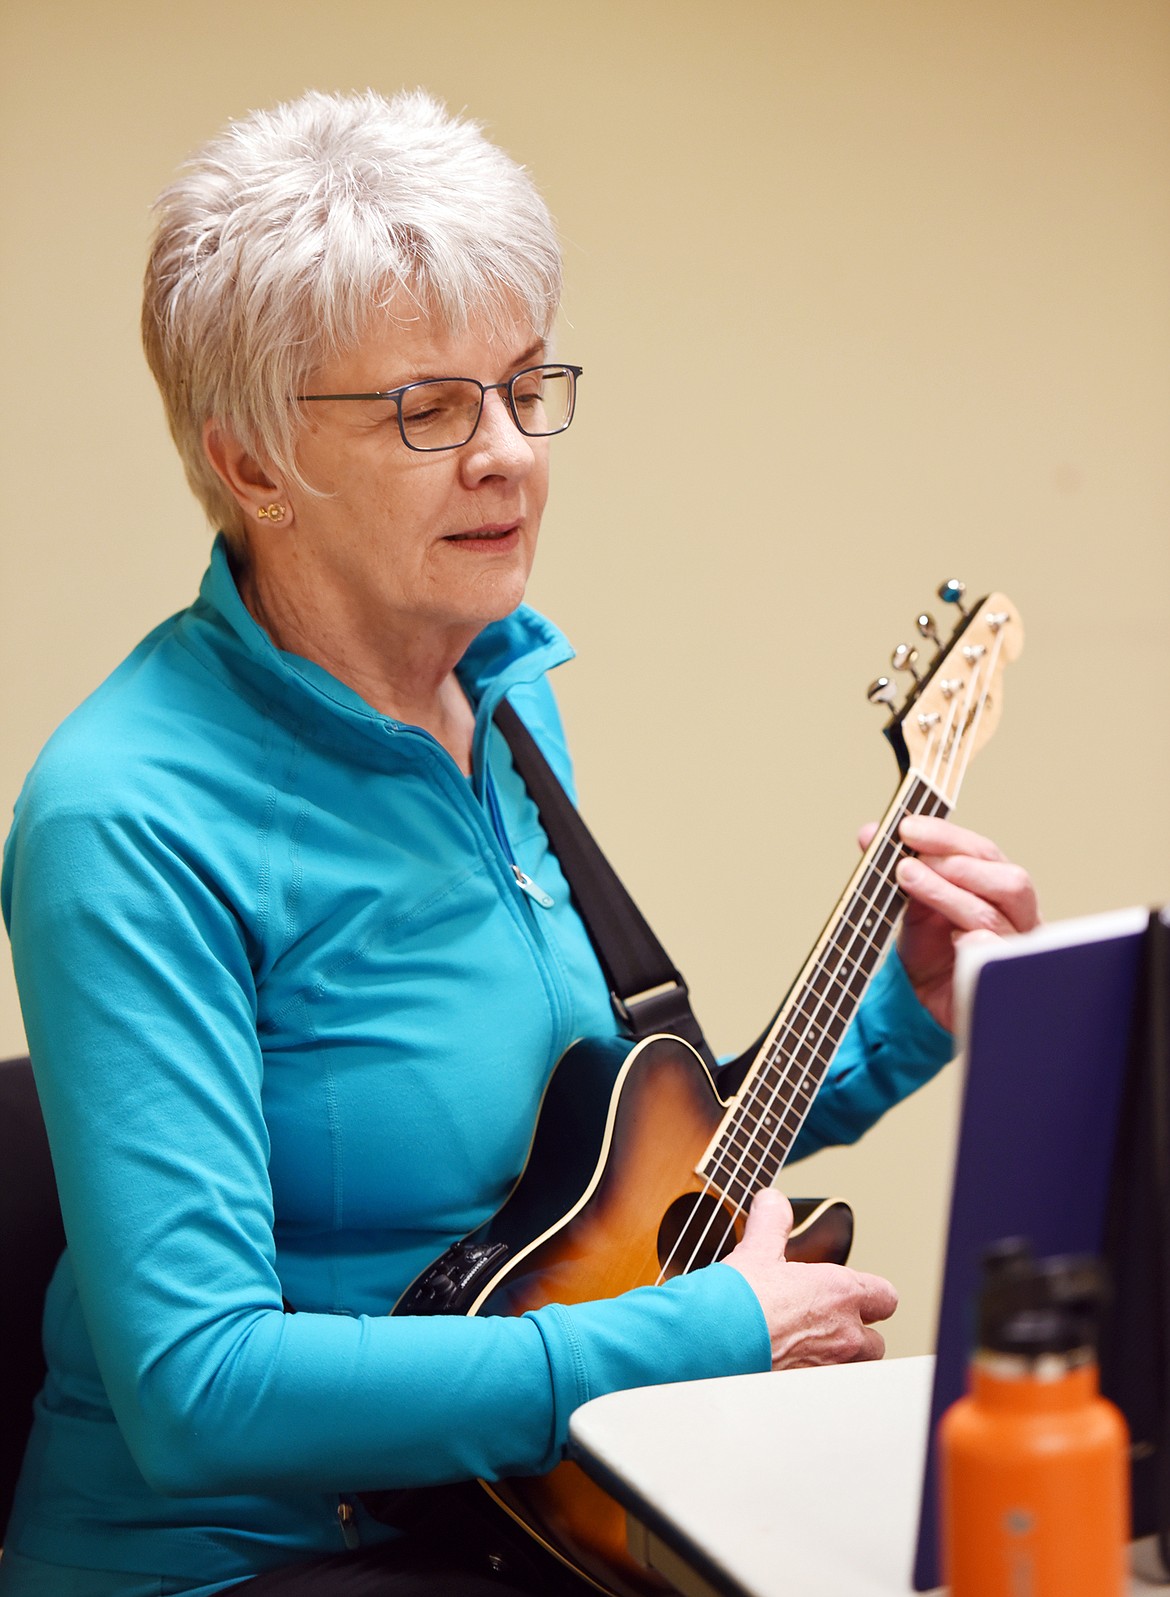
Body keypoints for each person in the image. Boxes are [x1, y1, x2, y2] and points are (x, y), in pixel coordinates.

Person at [0, 89, 1039, 1597]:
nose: (507, 455)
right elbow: (200, 1388)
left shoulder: (505, 697)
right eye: (427, 408)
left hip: (524, 1513)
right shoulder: (128, 815)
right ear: (251, 464)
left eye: (520, 384)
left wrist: (905, 1019)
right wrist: (704, 1337)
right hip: (247, 1563)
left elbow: (587, 1199)